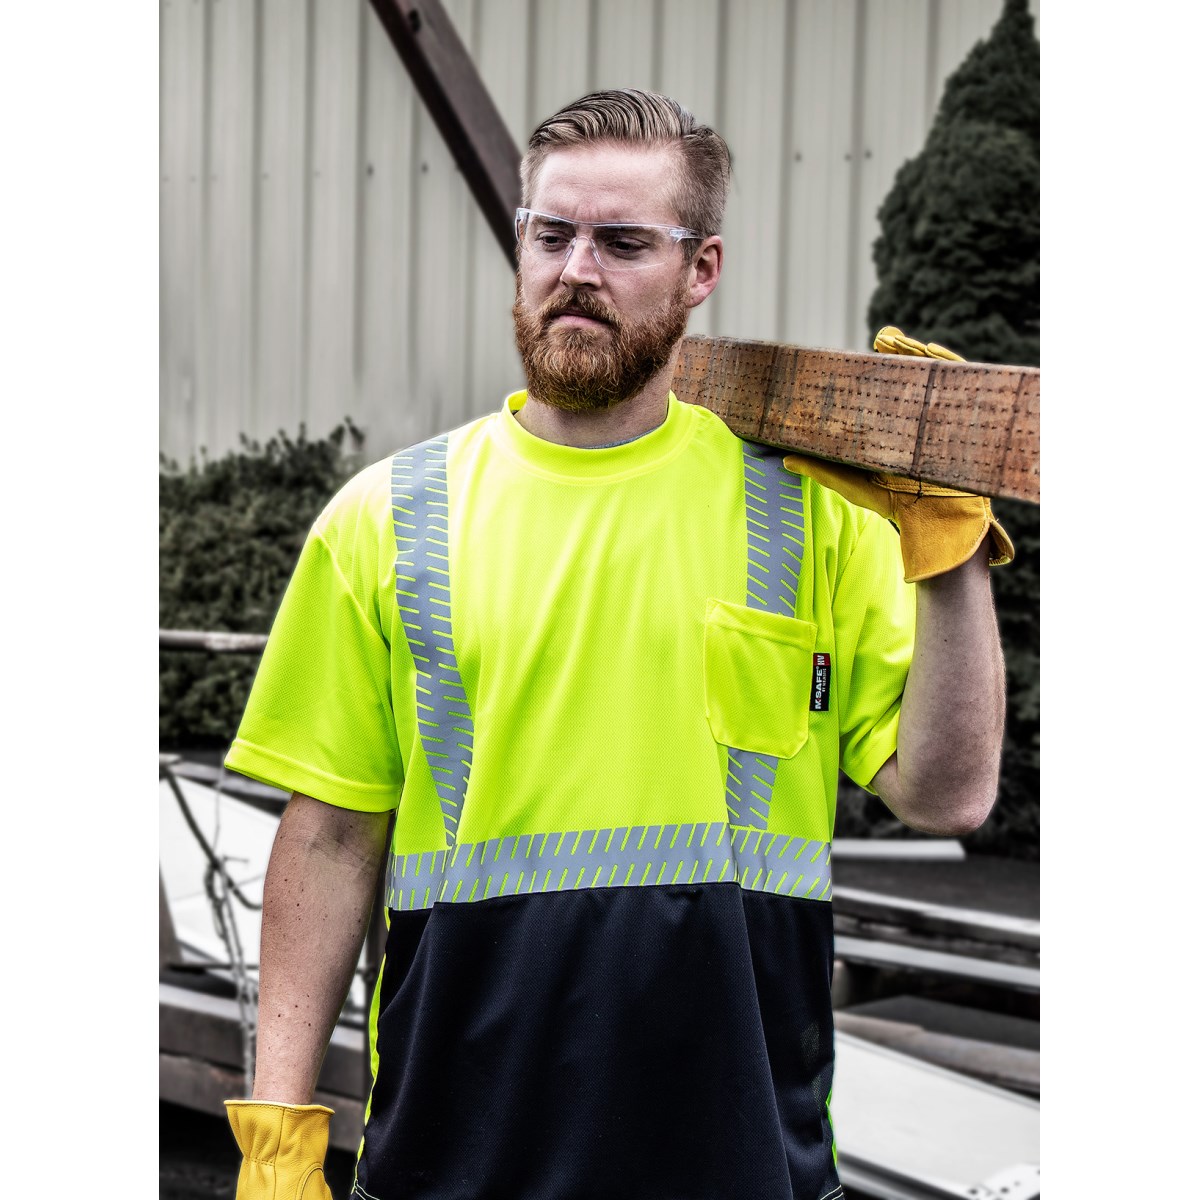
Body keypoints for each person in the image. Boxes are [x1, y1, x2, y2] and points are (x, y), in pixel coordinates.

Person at [222, 88, 1012, 1200]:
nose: (577, 269)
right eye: (553, 234)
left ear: (703, 269)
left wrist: (951, 557)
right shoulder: (388, 518)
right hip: (458, 1151)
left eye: (624, 241)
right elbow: (331, 840)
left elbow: (949, 793)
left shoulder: (808, 515)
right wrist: (279, 1138)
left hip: (736, 1154)